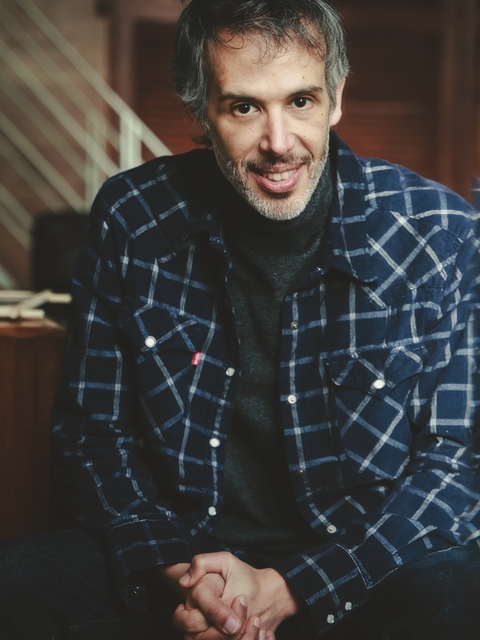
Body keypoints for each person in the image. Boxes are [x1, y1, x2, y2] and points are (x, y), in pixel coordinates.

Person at [1, 0, 479, 638]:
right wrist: (196, 584)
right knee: (13, 583)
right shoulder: (132, 217)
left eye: (301, 101)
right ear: (201, 109)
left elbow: (455, 466)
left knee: (459, 596)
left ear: (336, 97)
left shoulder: (440, 232)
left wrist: (291, 589)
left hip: (360, 568)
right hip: (188, 557)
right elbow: (93, 439)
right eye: (244, 107)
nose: (278, 143)